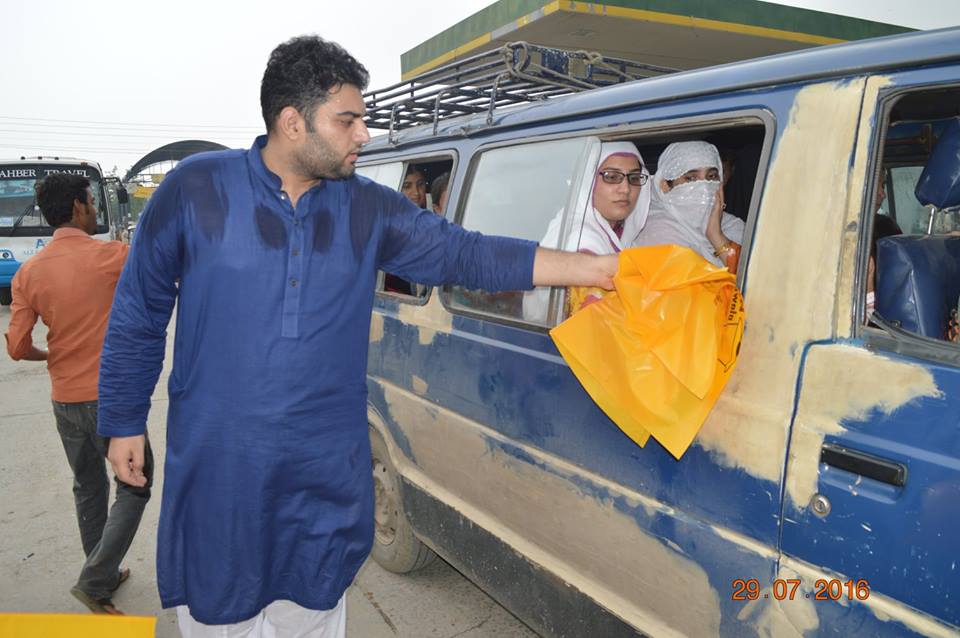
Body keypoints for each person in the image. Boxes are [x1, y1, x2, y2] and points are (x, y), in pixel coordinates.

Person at [97, 35, 617, 637]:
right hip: (221, 470)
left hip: (322, 472)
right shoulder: (195, 190)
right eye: (348, 120)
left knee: (312, 608)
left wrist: (596, 269)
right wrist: (123, 419)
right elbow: (139, 312)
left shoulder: (367, 209)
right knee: (221, 610)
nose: (363, 134)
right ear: (292, 123)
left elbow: (465, 254)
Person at [4, 173, 152, 616]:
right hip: (112, 400)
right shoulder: (113, 255)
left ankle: (103, 576)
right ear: (77, 207)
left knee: (88, 487)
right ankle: (93, 580)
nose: (92, 208)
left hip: (64, 399)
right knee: (136, 486)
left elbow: (16, 347)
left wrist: (50, 353)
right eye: (90, 201)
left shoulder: (29, 272)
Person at [523, 141, 650, 321]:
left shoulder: (616, 231)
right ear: (587, 180)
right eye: (611, 177)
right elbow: (598, 329)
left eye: (634, 178)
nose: (625, 189)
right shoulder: (583, 243)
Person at [635, 141, 745, 273]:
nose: (704, 186)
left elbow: (757, 278)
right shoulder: (656, 231)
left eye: (711, 176)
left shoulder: (732, 225)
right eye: (691, 178)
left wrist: (716, 236)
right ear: (665, 186)